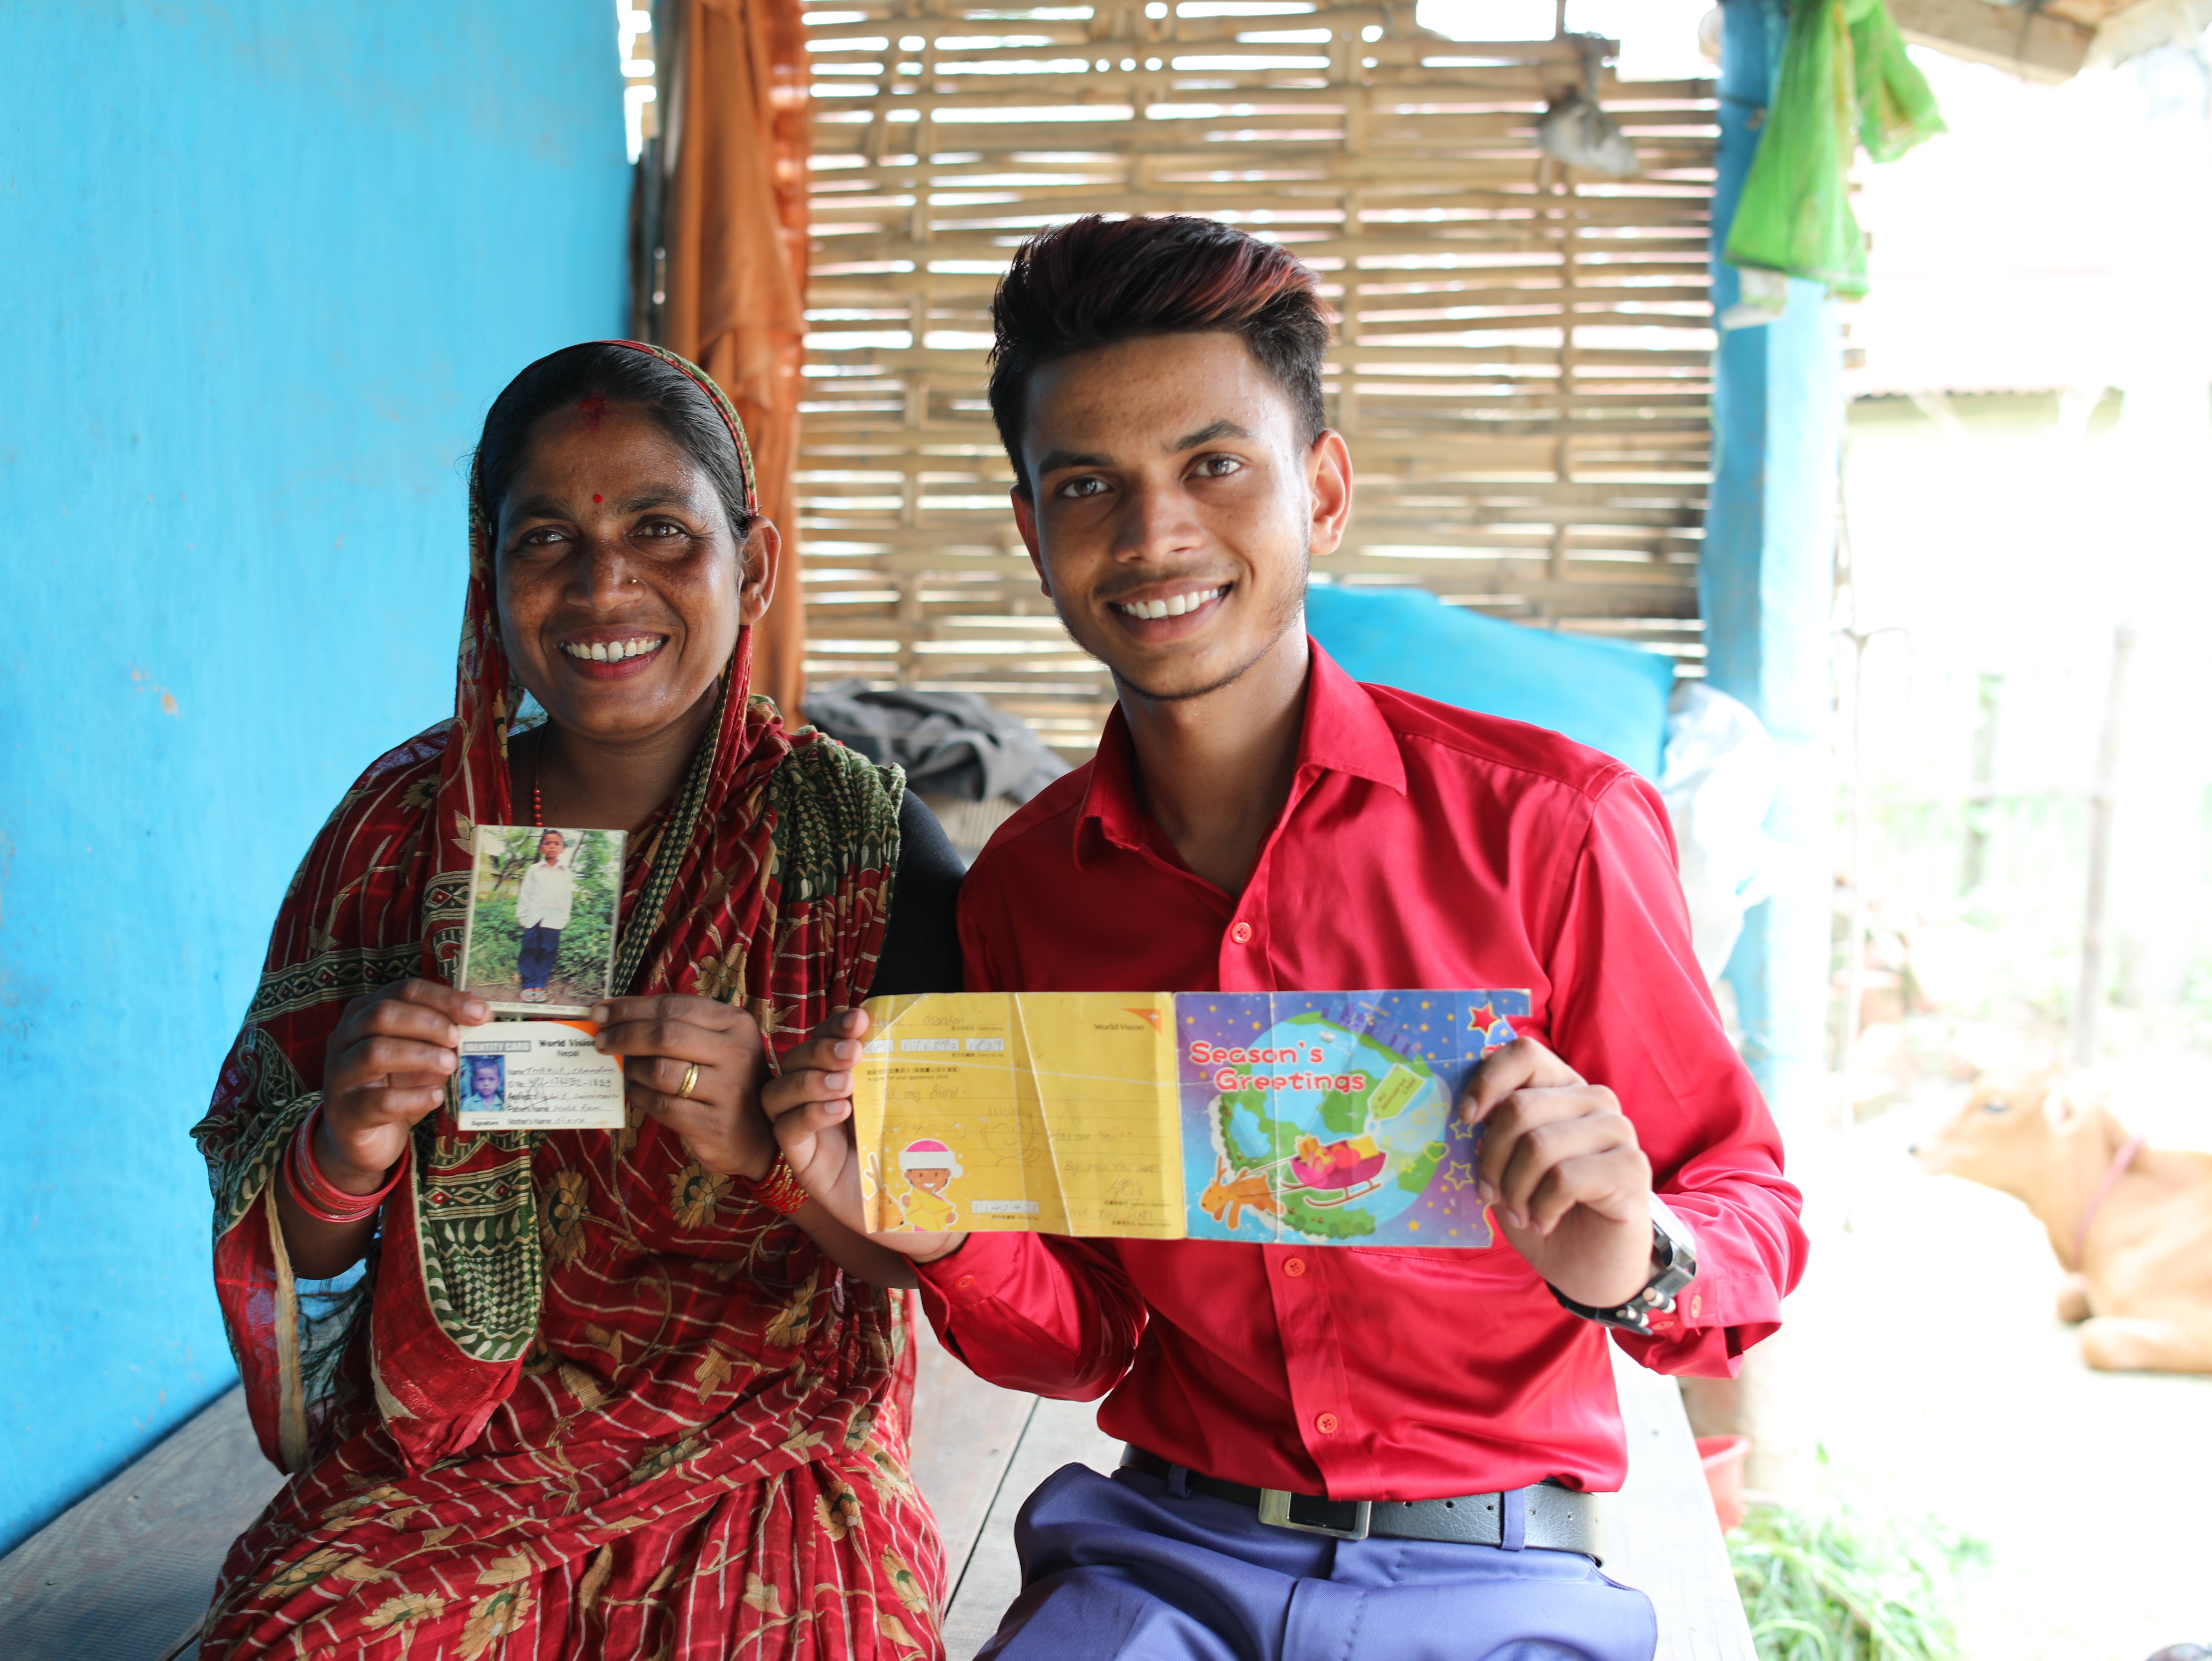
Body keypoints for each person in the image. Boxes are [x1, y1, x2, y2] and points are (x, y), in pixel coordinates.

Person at [765, 216, 1809, 1661]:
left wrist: (1637, 1252)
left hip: (1494, 1578)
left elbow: (1752, 1210)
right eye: (1088, 486)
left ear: (1320, 491)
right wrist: (940, 1227)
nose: (1153, 538)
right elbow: (1080, 1340)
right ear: (1032, 532)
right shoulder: (1027, 894)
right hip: (1160, 1563)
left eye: (1214, 465)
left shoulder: (1555, 829)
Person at [191, 340, 966, 1661]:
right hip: (457, 1441)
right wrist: (345, 1145)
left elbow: (953, 1260)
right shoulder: (400, 833)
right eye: (544, 538)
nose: (604, 583)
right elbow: (292, 1245)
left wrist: (781, 1158)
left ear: (753, 562)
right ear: (487, 583)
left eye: (662, 529)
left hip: (767, 1443)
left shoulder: (860, 848)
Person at [515, 827, 576, 1001]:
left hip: (554, 920)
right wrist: (523, 917)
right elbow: (525, 894)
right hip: (534, 918)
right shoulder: (534, 870)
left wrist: (564, 918)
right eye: (547, 843)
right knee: (529, 950)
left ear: (563, 849)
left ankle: (540, 985)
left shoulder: (566, 872)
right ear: (541, 848)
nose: (552, 847)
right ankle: (528, 985)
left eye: (557, 844)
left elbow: (567, 897)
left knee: (548, 951)